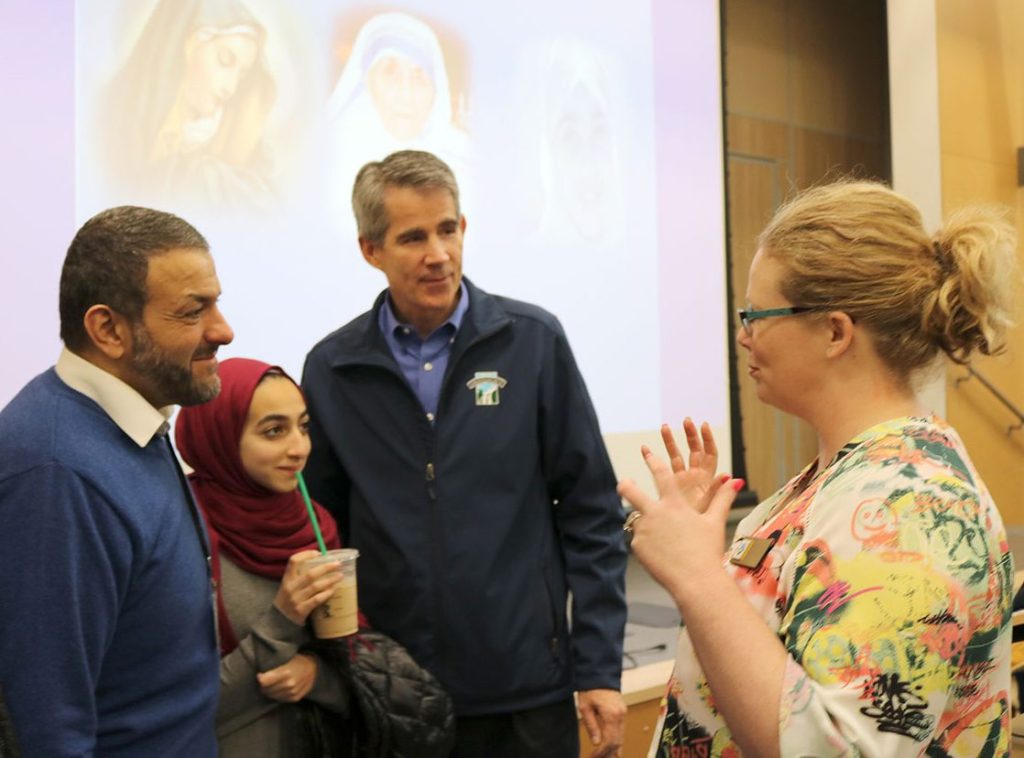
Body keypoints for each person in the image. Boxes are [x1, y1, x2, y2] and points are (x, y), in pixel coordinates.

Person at [619, 180, 1017, 757]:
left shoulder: (912, 504)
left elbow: (837, 749)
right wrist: (703, 555)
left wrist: (698, 577)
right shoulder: (846, 474)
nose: (743, 335)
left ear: (835, 331)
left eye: (756, 314)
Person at [302, 149, 628, 757]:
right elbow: (323, 532)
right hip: (393, 692)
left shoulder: (532, 341)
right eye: (413, 237)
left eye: (448, 229)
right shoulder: (332, 368)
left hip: (526, 688)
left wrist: (599, 667)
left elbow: (592, 516)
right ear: (370, 250)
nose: (438, 254)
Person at [0, 206, 234, 755]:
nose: (223, 330)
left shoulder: (128, 425)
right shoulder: (57, 475)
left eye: (216, 303)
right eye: (192, 311)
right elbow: (50, 727)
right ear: (107, 329)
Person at [102, 0, 277, 212]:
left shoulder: (229, 154)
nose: (230, 88)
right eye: (224, 60)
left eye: (241, 75)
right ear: (188, 46)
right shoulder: (114, 124)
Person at [326, 12, 471, 236]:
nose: (406, 93)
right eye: (390, 73)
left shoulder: (463, 162)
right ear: (367, 82)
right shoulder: (327, 160)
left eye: (419, 76)